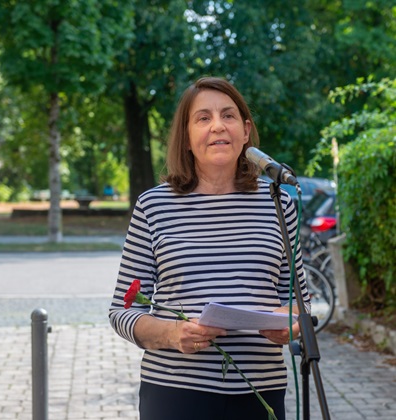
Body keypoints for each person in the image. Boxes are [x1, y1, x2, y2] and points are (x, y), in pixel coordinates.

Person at [109, 76, 311, 420]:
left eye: (228, 116)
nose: (218, 126)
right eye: (203, 118)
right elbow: (120, 312)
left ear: (245, 131)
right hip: (174, 394)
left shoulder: (279, 204)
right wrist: (173, 334)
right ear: (186, 137)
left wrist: (289, 326)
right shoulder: (153, 206)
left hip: (260, 393)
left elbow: (300, 305)